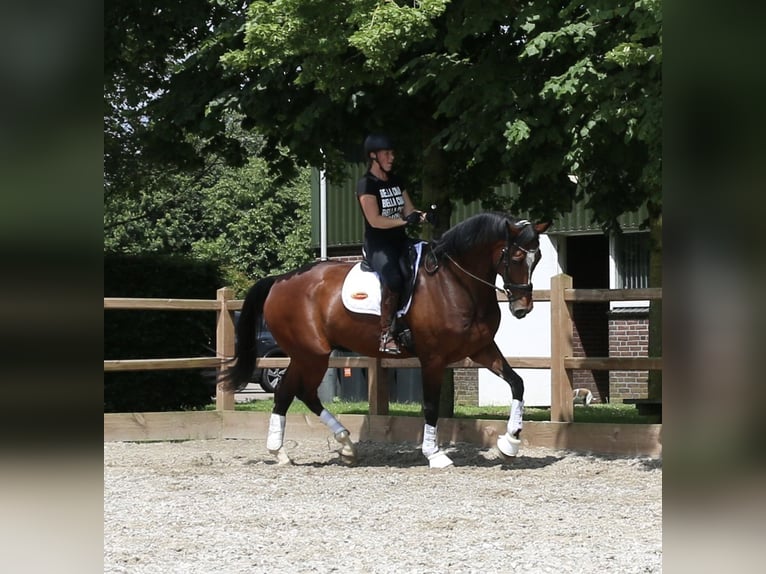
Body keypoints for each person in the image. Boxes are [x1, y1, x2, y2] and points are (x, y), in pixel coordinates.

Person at [356, 133, 426, 354]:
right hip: (378, 245)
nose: (392, 157)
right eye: (387, 153)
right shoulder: (366, 184)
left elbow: (409, 210)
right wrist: (405, 221)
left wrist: (423, 216)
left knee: (427, 265)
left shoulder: (396, 181)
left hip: (400, 240)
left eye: (392, 153)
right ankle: (386, 334)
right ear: (373, 156)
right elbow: (375, 220)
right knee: (394, 279)